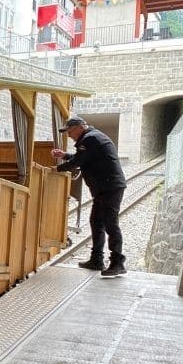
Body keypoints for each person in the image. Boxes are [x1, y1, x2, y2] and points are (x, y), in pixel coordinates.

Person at [52, 115, 127, 277]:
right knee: (97, 221)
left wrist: (55, 170)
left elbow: (78, 161)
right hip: (105, 188)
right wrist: (64, 155)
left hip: (109, 188)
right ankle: (97, 260)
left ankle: (118, 262)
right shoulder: (92, 138)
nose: (69, 136)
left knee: (110, 224)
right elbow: (82, 158)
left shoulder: (90, 139)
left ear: (79, 127)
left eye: (70, 132)